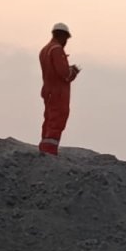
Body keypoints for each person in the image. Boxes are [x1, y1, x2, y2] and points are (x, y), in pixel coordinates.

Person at [38, 23, 80, 155]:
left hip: (49, 89)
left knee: (49, 118)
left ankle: (44, 146)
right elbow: (64, 74)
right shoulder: (56, 50)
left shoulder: (45, 49)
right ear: (62, 36)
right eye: (66, 38)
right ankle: (49, 149)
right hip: (58, 92)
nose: (66, 41)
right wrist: (73, 71)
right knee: (57, 118)